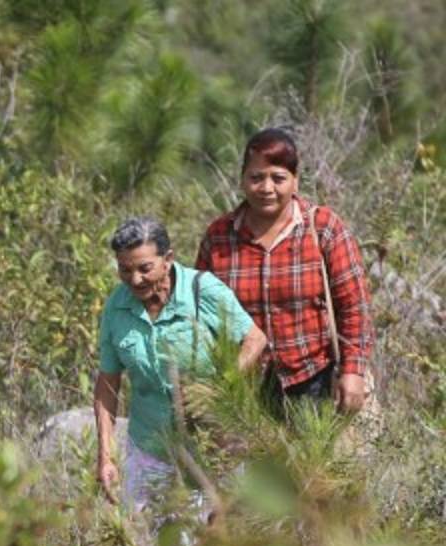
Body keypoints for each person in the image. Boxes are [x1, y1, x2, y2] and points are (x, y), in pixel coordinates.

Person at [196, 127, 374, 414]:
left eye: (278, 178)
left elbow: (354, 306)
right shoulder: (219, 237)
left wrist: (353, 371)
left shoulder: (323, 228)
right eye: (256, 178)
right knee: (250, 461)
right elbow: (201, 313)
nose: (266, 188)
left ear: (295, 182)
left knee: (314, 460)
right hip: (244, 386)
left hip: (314, 380)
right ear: (242, 180)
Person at [94, 217, 267, 512]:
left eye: (144, 268)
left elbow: (254, 340)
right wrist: (106, 456)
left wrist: (219, 388)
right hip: (149, 449)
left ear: (168, 259)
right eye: (125, 269)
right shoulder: (117, 306)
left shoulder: (203, 291)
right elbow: (107, 383)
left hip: (214, 450)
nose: (135, 279)